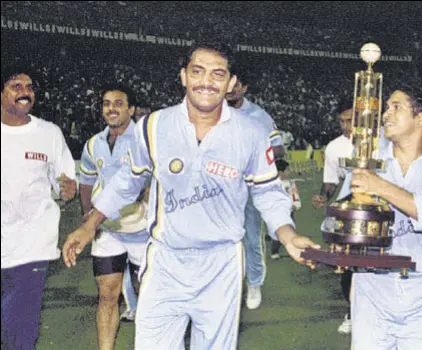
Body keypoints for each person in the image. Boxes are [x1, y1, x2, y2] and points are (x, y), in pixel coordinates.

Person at [62, 41, 318, 350]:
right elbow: (127, 181)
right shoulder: (154, 126)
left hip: (221, 264)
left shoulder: (251, 133)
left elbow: (266, 190)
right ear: (183, 76)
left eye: (217, 74)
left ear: (231, 83)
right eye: (198, 72)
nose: (206, 82)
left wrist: (287, 234)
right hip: (165, 261)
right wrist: (90, 225)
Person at [336, 83, 422, 349]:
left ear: (421, 117)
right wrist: (343, 234)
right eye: (386, 107)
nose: (386, 114)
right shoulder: (367, 158)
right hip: (370, 290)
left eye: (396, 107)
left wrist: (380, 186)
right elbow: (343, 210)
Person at [1, 66, 77, 349]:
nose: (25, 92)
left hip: (32, 245)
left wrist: (66, 188)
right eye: (16, 86)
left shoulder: (49, 133)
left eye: (29, 87)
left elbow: (64, 179)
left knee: (21, 327)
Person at [78, 83, 149, 349]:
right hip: (107, 231)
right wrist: (88, 215)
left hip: (142, 230)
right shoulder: (93, 144)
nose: (112, 108)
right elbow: (86, 180)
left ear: (131, 109)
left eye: (119, 103)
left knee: (151, 297)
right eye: (107, 103)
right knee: (107, 295)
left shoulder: (144, 141)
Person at [225, 71, 285, 310]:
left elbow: (278, 149)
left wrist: (252, 155)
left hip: (249, 186)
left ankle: (255, 283)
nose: (231, 89)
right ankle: (228, 285)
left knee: (251, 236)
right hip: (221, 187)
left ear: (244, 88)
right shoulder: (214, 112)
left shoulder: (259, 116)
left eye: (236, 84)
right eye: (228, 83)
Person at [311, 105, 354, 334]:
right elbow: (331, 181)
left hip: (380, 212)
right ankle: (351, 312)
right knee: (346, 265)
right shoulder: (335, 148)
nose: (346, 126)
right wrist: (323, 196)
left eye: (350, 120)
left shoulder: (383, 141)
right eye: (341, 121)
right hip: (348, 213)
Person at [270, 158, 302, 260]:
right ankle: (274, 251)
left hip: (290, 212)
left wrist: (296, 204)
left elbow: (295, 195)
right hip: (277, 213)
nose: (289, 172)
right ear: (279, 172)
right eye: (287, 170)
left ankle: (290, 249)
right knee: (278, 232)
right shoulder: (273, 185)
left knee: (291, 230)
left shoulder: (291, 183)